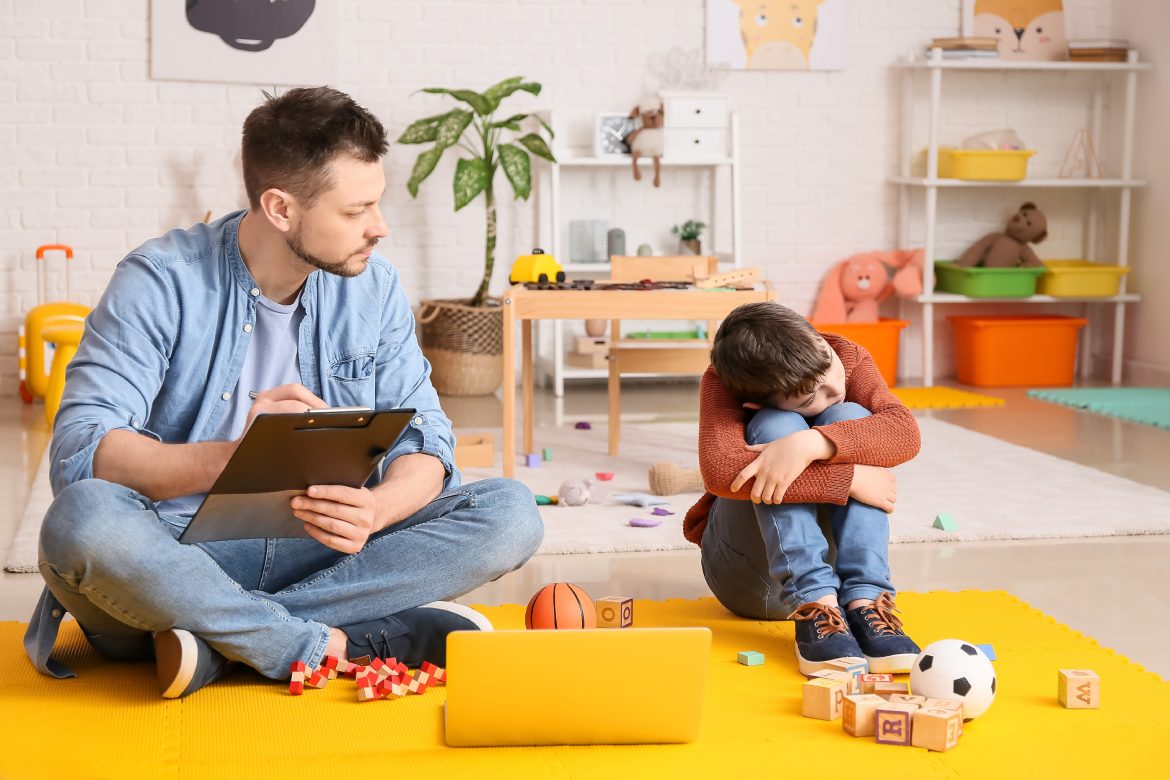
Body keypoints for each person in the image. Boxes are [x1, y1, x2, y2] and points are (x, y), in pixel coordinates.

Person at [25, 86, 543, 698]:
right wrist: (230, 458)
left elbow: (428, 441)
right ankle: (326, 643)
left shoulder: (372, 288)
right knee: (82, 521)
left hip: (319, 550)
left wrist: (377, 509)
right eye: (355, 212)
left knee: (511, 511)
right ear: (280, 207)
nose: (378, 228)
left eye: (375, 204)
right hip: (173, 555)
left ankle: (220, 641)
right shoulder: (160, 280)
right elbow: (80, 455)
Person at [685, 301, 921, 674]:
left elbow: (905, 433)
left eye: (828, 364)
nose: (836, 388)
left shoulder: (846, 354)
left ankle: (866, 601)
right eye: (812, 398)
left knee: (852, 417)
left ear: (815, 335)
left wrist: (811, 444)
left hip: (838, 579)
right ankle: (814, 607)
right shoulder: (723, 382)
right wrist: (851, 478)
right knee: (776, 425)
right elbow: (722, 472)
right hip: (749, 579)